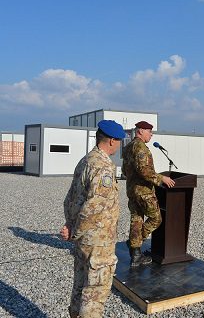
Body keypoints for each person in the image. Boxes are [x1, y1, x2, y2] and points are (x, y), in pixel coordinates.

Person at [61, 120, 125, 318]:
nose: (120, 145)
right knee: (94, 294)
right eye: (120, 141)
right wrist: (77, 231)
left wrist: (71, 227)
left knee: (80, 285)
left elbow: (70, 199)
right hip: (98, 241)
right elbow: (93, 208)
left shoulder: (86, 160)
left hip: (83, 241)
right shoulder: (103, 167)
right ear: (112, 140)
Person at [122, 121, 175, 267]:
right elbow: (144, 171)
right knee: (156, 218)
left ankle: (136, 256)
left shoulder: (127, 147)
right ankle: (135, 243)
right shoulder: (141, 148)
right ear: (140, 131)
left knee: (137, 219)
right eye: (149, 131)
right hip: (143, 191)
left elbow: (124, 171)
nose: (151, 134)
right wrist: (162, 178)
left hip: (132, 190)